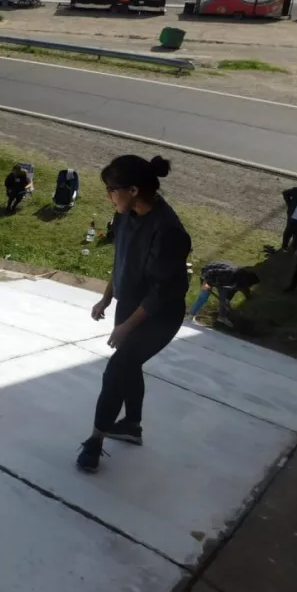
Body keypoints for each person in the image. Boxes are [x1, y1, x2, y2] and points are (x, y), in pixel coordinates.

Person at [78, 155, 191, 474]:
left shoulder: (169, 231)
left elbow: (161, 293)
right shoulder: (125, 215)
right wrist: (106, 298)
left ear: (133, 189)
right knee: (129, 365)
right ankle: (132, 425)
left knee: (116, 370)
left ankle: (96, 440)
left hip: (160, 316)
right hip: (130, 306)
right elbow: (122, 260)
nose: (109, 196)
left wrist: (127, 326)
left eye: (112, 189)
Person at [188, 262, 260, 328]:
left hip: (221, 282)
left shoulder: (240, 283)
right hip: (209, 276)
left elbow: (234, 291)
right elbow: (209, 273)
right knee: (203, 297)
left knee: (224, 299)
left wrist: (227, 300)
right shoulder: (229, 273)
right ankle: (190, 315)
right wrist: (205, 283)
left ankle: (222, 317)